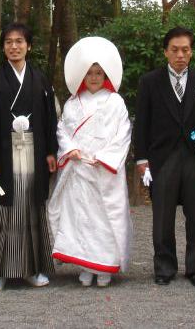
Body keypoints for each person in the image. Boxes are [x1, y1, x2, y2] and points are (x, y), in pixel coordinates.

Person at [0, 22, 58, 291]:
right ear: (3, 47)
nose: (14, 46)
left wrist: (51, 151)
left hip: (33, 152)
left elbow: (50, 118)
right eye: (9, 42)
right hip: (1, 155)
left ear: (29, 46)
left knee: (30, 207)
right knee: (1, 208)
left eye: (19, 41)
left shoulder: (40, 80)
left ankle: (32, 268)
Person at [134, 26, 195, 287]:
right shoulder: (150, 81)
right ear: (165, 52)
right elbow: (142, 122)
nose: (180, 55)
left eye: (185, 50)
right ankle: (164, 267)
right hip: (162, 156)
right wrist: (141, 158)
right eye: (175, 50)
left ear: (191, 52)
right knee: (162, 216)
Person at [48, 37, 132, 288]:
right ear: (82, 75)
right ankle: (86, 266)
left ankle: (104, 266)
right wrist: (71, 149)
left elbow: (123, 133)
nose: (94, 77)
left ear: (105, 75)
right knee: (80, 219)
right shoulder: (73, 103)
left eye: (98, 73)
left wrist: (104, 158)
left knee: (104, 219)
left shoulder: (115, 102)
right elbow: (62, 130)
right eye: (89, 73)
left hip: (103, 168)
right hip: (78, 167)